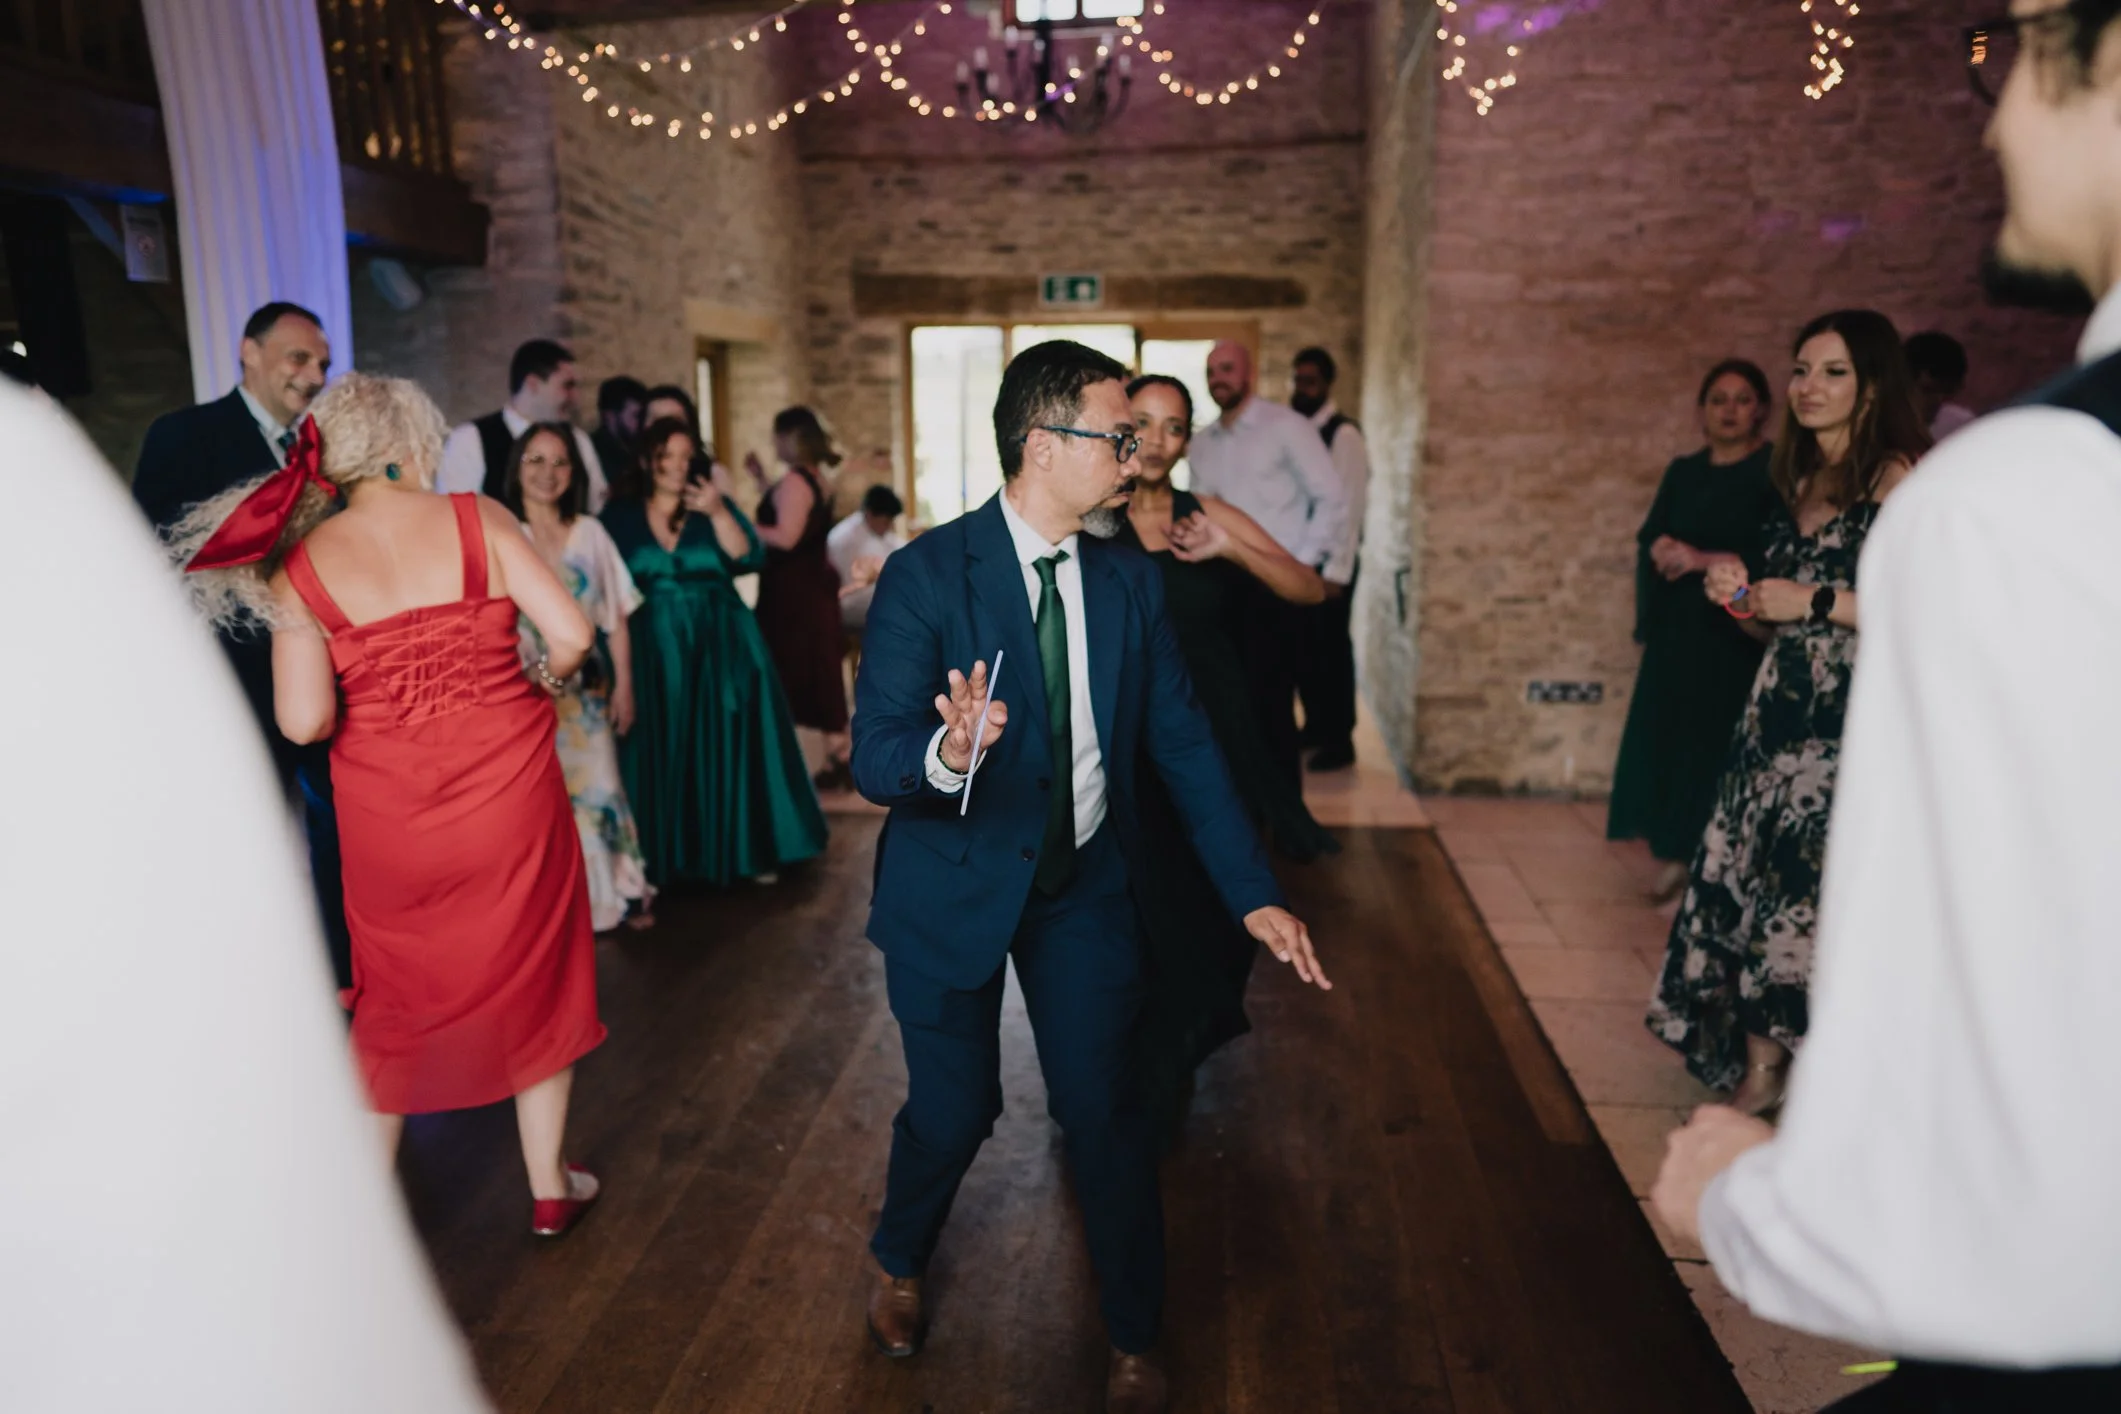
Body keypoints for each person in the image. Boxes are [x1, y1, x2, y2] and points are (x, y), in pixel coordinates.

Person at [1654, 7, 2121, 1406]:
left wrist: (1758, 1208)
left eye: (2021, 52)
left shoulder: (2031, 486)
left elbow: (2009, 1026)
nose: (1993, 119)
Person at [850, 340, 1331, 1414]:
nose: (1135, 457)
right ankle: (899, 1255)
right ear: (1041, 445)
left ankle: (1132, 1333)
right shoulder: (929, 574)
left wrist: (1253, 890)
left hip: (1084, 886)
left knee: (1107, 1108)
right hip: (953, 883)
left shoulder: (1126, 579)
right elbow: (876, 752)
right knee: (954, 1111)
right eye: (1116, 438)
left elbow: (1184, 743)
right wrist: (949, 753)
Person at [4, 380, 490, 1412]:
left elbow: (296, 715)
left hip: (332, 785)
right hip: (450, 786)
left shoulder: (298, 554)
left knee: (377, 981)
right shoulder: (50, 463)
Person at [169, 372, 609, 1239]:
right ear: (411, 445)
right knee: (538, 975)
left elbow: (303, 721)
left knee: (395, 999)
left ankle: (364, 1211)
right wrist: (543, 678)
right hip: (510, 799)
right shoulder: (478, 518)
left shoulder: (301, 565)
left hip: (388, 820)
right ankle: (549, 1188)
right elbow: (572, 634)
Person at [1645, 311, 1927, 1117]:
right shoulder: (1794, 481)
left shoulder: (1903, 482)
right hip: (1775, 713)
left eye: (1832, 372)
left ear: (1871, 385)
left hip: (1852, 721)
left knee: (1811, 893)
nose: (1808, 386)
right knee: (1753, 884)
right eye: (1801, 369)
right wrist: (1741, 600)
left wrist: (1814, 599)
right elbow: (1775, 625)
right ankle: (1762, 1066)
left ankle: (1817, 1070)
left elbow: (1926, 607)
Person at [1118, 373, 1334, 1145]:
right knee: (1137, 914)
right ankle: (1132, 1074)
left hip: (1214, 739)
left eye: (1173, 426)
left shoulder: (1204, 513)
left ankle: (1174, 1053)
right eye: (1141, 422)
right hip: (1123, 746)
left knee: (1215, 915)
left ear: (1187, 441)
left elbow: (1308, 588)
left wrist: (1229, 548)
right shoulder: (1091, 520)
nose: (1156, 440)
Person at [131, 300, 350, 990]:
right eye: (298, 358)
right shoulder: (184, 435)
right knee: (244, 842)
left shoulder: (328, 452)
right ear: (248, 353)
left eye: (322, 364)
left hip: (319, 681)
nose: (314, 376)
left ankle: (339, 977)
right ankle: (250, 985)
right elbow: (154, 553)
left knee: (336, 834)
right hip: (230, 679)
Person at [603, 416, 828, 887]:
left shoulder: (712, 507)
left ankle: (736, 852)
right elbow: (605, 582)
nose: (677, 466)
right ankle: (663, 858)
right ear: (647, 460)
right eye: (667, 456)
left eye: (687, 457)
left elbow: (748, 557)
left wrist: (718, 510)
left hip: (719, 640)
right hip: (651, 643)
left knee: (723, 741)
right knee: (661, 741)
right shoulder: (618, 516)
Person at [1607, 360, 1780, 901]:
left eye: (1742, 399)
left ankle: (1713, 862)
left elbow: (1772, 550)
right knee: (1671, 739)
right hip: (1679, 627)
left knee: (1714, 743)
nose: (1729, 411)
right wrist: (1660, 548)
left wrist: (1703, 559)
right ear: (1702, 411)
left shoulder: (1771, 472)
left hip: (1731, 632)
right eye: (1718, 400)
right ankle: (1675, 854)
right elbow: (1654, 531)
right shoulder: (1684, 471)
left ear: (1761, 410)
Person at [502, 422, 657, 933]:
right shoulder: (503, 533)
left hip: (586, 695)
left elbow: (617, 616)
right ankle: (553, 908)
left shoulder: (590, 533)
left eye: (560, 462)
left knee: (601, 789)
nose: (548, 473)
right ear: (516, 467)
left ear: (574, 472)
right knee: (538, 802)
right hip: (523, 693)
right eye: (536, 460)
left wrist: (626, 688)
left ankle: (616, 894)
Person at [1186, 340, 1349, 789]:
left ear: (1249, 373)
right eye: (1211, 371)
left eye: (1227, 368)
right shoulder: (1202, 442)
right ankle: (1241, 806)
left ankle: (1284, 814)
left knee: (1273, 706)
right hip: (1220, 587)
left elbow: (1332, 498)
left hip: (1277, 586)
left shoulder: (1287, 426)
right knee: (1228, 704)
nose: (1218, 378)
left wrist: (1301, 563)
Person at [747, 406, 852, 787]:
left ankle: (816, 762)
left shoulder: (795, 481)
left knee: (799, 673)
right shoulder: (815, 478)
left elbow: (786, 536)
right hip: (811, 586)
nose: (773, 442)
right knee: (817, 673)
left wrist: (741, 527)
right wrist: (761, 481)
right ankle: (836, 756)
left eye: (776, 434)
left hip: (794, 595)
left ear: (790, 437)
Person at [1287, 346, 1370, 772]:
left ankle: (1340, 739)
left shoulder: (1344, 435)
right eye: (1298, 380)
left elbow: (1350, 506)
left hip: (1332, 567)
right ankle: (1316, 727)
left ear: (1326, 384)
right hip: (1302, 561)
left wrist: (1337, 571)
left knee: (1332, 652)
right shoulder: (1298, 430)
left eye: (1311, 381)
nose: (1302, 388)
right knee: (1305, 651)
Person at [437, 338, 607, 510]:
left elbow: (597, 506)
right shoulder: (469, 439)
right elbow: (455, 513)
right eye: (567, 386)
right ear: (533, 384)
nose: (575, 398)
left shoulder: (578, 439)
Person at [828, 482, 907, 631]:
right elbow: (853, 585)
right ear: (870, 514)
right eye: (886, 522)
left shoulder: (872, 530)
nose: (889, 527)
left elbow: (895, 546)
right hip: (849, 603)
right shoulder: (846, 539)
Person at [1904, 329, 1978, 440]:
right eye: (1928, 390)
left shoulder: (1963, 428)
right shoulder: (1880, 427)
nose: (1937, 401)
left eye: (1948, 392)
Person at [593, 374, 648, 482]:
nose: (644, 423)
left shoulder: (639, 450)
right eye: (636, 415)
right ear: (610, 416)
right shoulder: (592, 456)